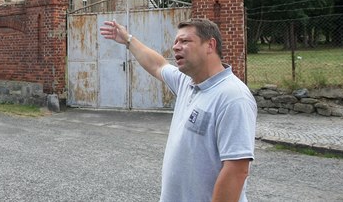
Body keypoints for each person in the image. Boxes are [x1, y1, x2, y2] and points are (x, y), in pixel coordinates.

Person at [100, 18, 256, 202]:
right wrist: (128, 40)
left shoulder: (232, 96)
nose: (176, 47)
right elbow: (158, 65)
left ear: (210, 45)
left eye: (185, 41)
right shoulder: (187, 83)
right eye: (176, 42)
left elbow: (237, 170)